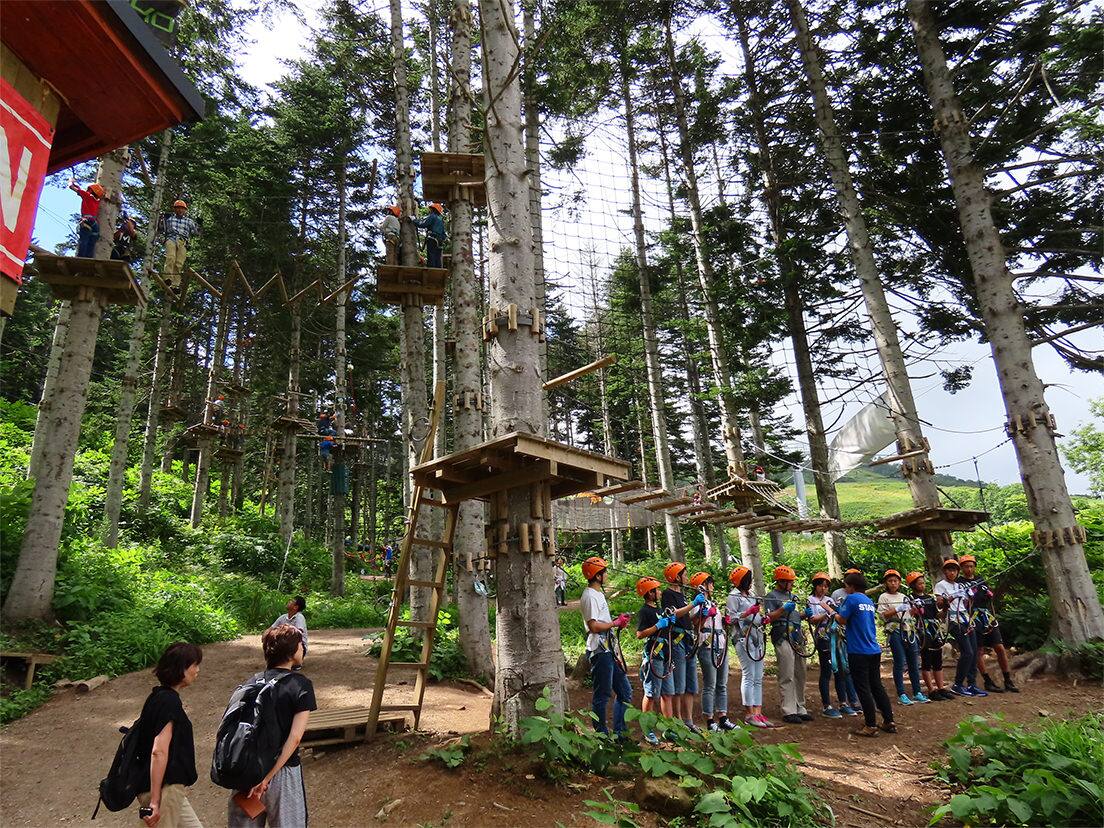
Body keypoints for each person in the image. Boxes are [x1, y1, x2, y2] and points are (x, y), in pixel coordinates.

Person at [227, 625, 316, 828]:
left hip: (247, 774)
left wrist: (258, 777)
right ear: (291, 652)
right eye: (300, 645)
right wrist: (267, 778)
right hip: (283, 773)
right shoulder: (300, 685)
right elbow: (295, 738)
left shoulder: (251, 683)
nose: (303, 648)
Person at [135, 642, 204, 828]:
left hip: (169, 789)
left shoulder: (157, 697)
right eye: (194, 665)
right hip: (164, 790)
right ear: (181, 669)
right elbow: (159, 751)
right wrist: (155, 800)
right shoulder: (168, 703)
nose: (197, 670)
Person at [826, 572, 896, 737]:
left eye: (846, 586)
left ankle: (870, 725)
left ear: (851, 586)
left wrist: (830, 611)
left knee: (863, 688)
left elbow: (842, 620)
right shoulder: (868, 601)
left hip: (858, 650)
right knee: (876, 686)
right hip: (873, 649)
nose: (845, 589)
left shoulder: (851, 599)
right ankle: (889, 720)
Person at [579, 556, 632, 739]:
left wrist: (616, 622)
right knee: (602, 694)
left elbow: (602, 622)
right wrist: (615, 623)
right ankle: (602, 735)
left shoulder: (598, 594)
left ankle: (620, 734)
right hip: (600, 650)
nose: (607, 575)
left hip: (609, 648)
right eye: (605, 572)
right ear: (598, 575)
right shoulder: (589, 596)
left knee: (625, 692)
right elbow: (593, 626)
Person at [960, 555, 1018, 693]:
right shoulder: (959, 583)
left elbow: (986, 595)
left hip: (986, 616)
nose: (969, 569)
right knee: (978, 650)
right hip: (972, 617)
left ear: (975, 567)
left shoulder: (980, 580)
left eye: (971, 566)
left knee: (1000, 648)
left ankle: (1007, 680)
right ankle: (987, 680)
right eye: (966, 566)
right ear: (962, 568)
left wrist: (988, 594)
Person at [660, 562, 707, 733]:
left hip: (688, 639)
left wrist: (700, 613)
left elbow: (687, 615)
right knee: (679, 683)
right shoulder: (668, 594)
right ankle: (678, 720)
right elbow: (673, 613)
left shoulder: (682, 594)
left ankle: (689, 720)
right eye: (684, 574)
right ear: (676, 577)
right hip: (677, 640)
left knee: (691, 684)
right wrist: (693, 604)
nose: (687, 577)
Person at [805, 572, 858, 718]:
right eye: (820, 585)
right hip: (823, 636)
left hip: (836, 634)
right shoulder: (811, 600)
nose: (823, 588)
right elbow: (812, 619)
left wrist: (834, 610)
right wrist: (827, 613)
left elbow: (838, 615)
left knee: (840, 668)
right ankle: (826, 705)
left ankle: (843, 703)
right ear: (815, 586)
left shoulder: (829, 600)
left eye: (826, 586)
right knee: (826, 669)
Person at [726, 566, 774, 728]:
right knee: (749, 675)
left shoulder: (751, 595)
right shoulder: (733, 596)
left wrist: (763, 619)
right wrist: (746, 613)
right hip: (742, 639)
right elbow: (730, 618)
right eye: (748, 579)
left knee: (758, 677)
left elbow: (756, 615)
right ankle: (749, 714)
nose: (751, 581)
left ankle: (758, 713)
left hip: (757, 637)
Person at [763, 565, 810, 724]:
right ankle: (789, 710)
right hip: (782, 635)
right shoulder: (771, 596)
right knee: (787, 672)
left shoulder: (792, 596)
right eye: (790, 582)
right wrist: (783, 609)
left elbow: (794, 616)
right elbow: (768, 617)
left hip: (797, 635)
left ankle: (800, 706)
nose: (792, 584)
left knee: (800, 672)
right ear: (781, 581)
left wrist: (804, 615)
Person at [689, 572, 735, 732]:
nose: (713, 586)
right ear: (703, 585)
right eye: (710, 583)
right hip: (707, 645)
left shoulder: (712, 603)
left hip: (720, 644)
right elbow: (695, 624)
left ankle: (723, 717)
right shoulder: (697, 604)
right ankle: (709, 720)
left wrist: (724, 621)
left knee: (722, 684)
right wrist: (705, 615)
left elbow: (715, 623)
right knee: (710, 684)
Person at [935, 558, 987, 697]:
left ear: (957, 572)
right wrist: (951, 597)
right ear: (945, 571)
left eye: (954, 570)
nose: (952, 573)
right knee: (967, 652)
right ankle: (958, 684)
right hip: (954, 620)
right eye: (949, 570)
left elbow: (967, 603)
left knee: (974, 652)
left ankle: (972, 684)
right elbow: (939, 604)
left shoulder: (959, 586)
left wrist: (969, 596)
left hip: (966, 619)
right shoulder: (941, 585)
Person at [877, 569, 930, 705]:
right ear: (886, 583)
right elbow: (882, 615)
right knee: (900, 661)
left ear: (899, 582)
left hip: (909, 629)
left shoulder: (904, 596)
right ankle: (901, 693)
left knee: (913, 661)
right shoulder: (883, 597)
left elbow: (909, 614)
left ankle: (917, 692)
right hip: (895, 629)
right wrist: (896, 609)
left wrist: (915, 609)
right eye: (890, 581)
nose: (893, 583)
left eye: (895, 581)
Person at [635, 576, 675, 745]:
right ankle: (647, 730)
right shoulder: (645, 611)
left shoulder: (659, 610)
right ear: (649, 593)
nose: (659, 592)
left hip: (666, 652)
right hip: (654, 654)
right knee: (651, 693)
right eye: (656, 590)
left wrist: (669, 622)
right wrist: (657, 626)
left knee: (667, 693)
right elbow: (640, 634)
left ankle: (669, 728)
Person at [907, 571, 954, 701]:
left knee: (938, 660)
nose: (922, 585)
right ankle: (931, 690)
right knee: (926, 660)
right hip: (922, 630)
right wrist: (915, 609)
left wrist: (945, 608)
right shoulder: (910, 598)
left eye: (923, 583)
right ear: (913, 585)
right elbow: (909, 615)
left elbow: (938, 616)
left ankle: (941, 688)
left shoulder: (930, 598)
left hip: (934, 630)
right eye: (919, 583)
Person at [160, 200, 199, 294]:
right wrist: (163, 219)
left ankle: (175, 285)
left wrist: (199, 225)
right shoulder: (169, 219)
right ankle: (168, 278)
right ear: (175, 209)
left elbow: (196, 233)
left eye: (182, 208)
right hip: (171, 238)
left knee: (179, 263)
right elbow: (161, 228)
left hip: (183, 242)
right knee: (171, 257)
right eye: (178, 208)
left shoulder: (189, 221)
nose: (180, 210)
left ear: (185, 210)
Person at [70, 180, 104, 257]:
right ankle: (88, 258)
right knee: (91, 243)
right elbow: (80, 190)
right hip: (95, 224)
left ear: (91, 190)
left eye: (88, 189)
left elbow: (71, 187)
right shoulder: (97, 201)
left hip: (87, 220)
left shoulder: (87, 195)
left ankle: (80, 258)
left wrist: (70, 181)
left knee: (84, 239)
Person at [413, 203, 447, 269]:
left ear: (433, 210)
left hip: (432, 239)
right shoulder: (440, 220)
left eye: (431, 209)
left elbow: (423, 224)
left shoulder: (432, 216)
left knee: (431, 256)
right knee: (437, 257)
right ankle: (438, 271)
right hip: (439, 241)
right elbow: (444, 235)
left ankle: (431, 270)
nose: (430, 210)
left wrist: (414, 220)